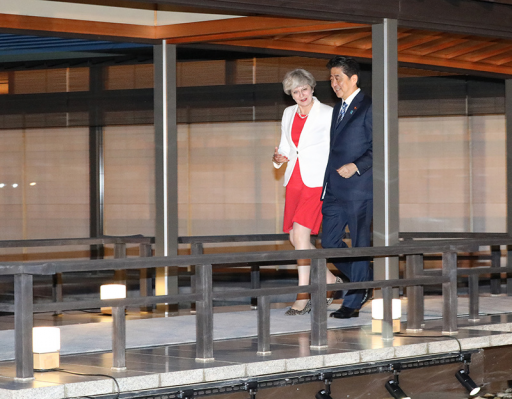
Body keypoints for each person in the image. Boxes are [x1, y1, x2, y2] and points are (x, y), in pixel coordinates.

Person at [273, 68, 341, 316]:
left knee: (301, 238)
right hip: (294, 179)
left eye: (304, 89)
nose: (300, 94)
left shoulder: (327, 113)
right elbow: (286, 146)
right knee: (294, 238)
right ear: (290, 94)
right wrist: (278, 158)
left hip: (316, 181)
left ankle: (303, 294)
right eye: (295, 91)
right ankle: (329, 279)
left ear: (312, 88)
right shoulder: (288, 113)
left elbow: (338, 148)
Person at [321, 56, 373, 319]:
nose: (333, 83)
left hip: (359, 188)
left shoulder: (369, 107)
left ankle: (352, 302)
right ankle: (364, 281)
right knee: (328, 242)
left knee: (360, 243)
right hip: (334, 188)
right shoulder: (337, 109)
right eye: (330, 78)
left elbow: (381, 147)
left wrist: (357, 165)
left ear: (353, 78)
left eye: (337, 77)